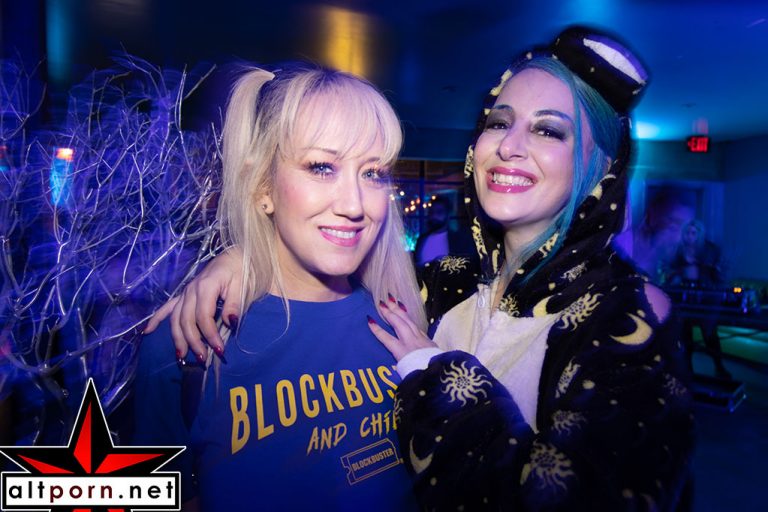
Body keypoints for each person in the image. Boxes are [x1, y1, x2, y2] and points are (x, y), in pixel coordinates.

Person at [150, 27, 695, 510]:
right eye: (498, 122)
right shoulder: (436, 287)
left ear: (601, 167)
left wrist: (435, 375)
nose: (510, 146)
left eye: (549, 131)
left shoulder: (627, 313)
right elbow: (130, 492)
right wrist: (242, 257)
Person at [133, 63, 426, 511]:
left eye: (372, 173)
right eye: (322, 167)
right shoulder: (187, 343)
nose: (354, 205)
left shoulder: (405, 324)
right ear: (262, 187)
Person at [665, 219, 731, 378]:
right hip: (684, 295)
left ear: (699, 234)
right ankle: (688, 368)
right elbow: (669, 269)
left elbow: (719, 274)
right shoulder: (678, 249)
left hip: (705, 295)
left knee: (709, 333)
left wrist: (716, 272)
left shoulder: (710, 250)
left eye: (693, 233)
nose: (690, 236)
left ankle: (719, 366)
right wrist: (675, 276)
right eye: (687, 232)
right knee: (685, 333)